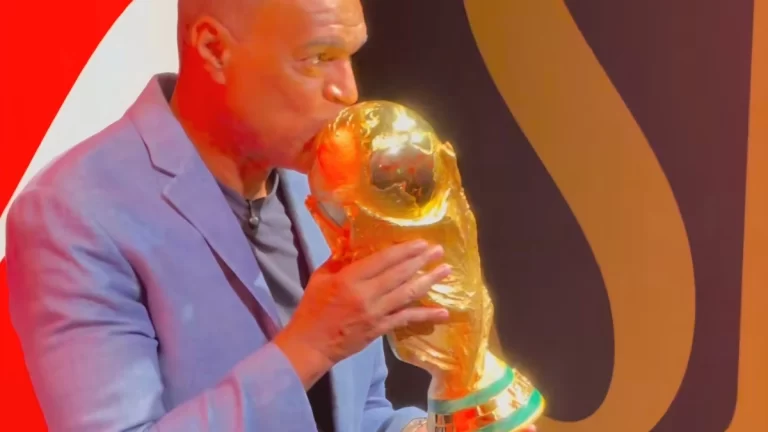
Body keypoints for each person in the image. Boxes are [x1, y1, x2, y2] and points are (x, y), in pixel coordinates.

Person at [5, 0, 537, 431]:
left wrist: (450, 421)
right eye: (317, 58)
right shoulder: (71, 214)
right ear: (213, 49)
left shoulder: (323, 187)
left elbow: (358, 415)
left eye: (349, 55)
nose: (347, 91)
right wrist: (310, 346)